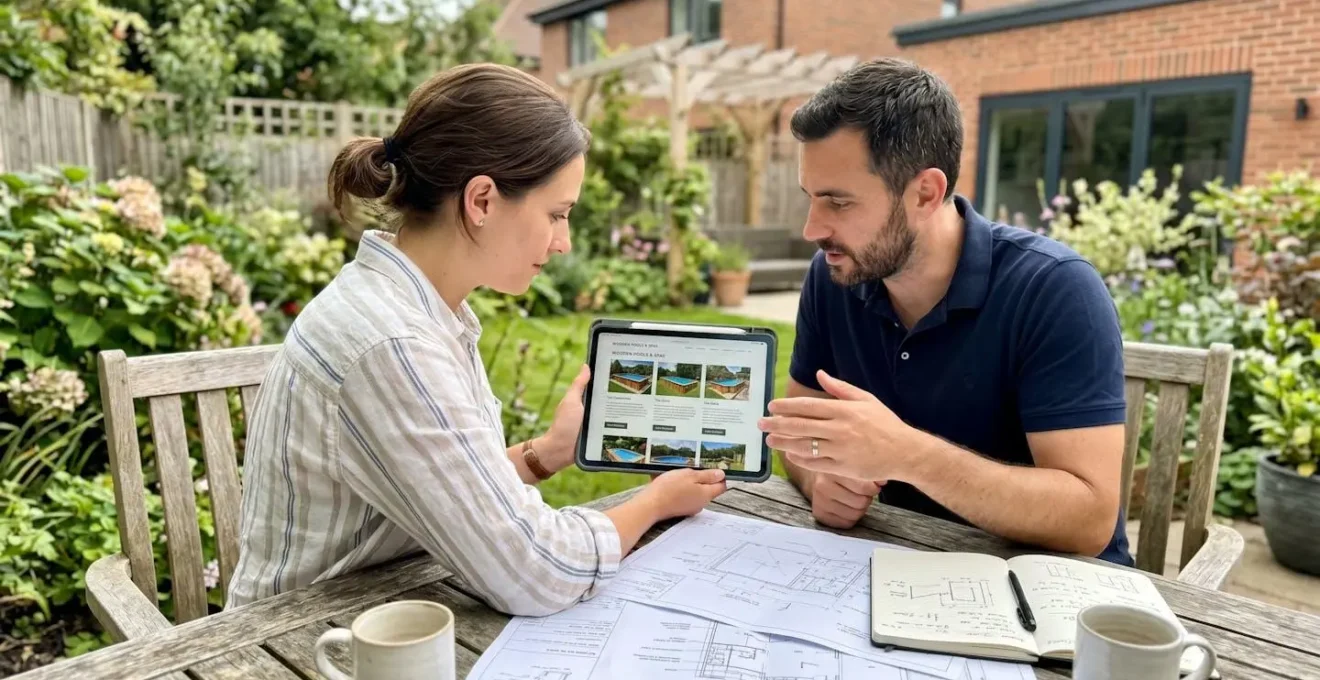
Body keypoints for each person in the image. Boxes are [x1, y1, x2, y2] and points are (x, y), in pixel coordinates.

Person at [228, 63, 728, 615]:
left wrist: (547, 454)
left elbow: (450, 490)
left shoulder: (420, 310)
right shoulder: (390, 342)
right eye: (557, 214)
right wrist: (655, 501)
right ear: (482, 200)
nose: (563, 242)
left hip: (375, 610)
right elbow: (537, 573)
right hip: (295, 639)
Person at [757, 58, 1132, 566]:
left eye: (838, 203)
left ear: (925, 193)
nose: (812, 229)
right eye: (811, 198)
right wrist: (821, 477)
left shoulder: (1054, 289)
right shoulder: (835, 275)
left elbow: (1089, 521)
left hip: (1045, 594)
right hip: (896, 566)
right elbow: (798, 438)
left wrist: (906, 454)